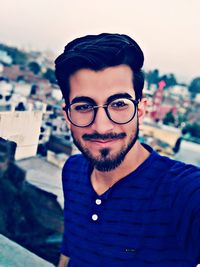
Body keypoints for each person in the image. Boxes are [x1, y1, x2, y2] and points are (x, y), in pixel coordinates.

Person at [55, 33, 200, 267]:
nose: (101, 126)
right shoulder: (72, 170)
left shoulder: (181, 192)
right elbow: (70, 250)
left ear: (141, 109)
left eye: (119, 104)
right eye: (83, 106)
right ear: (68, 115)